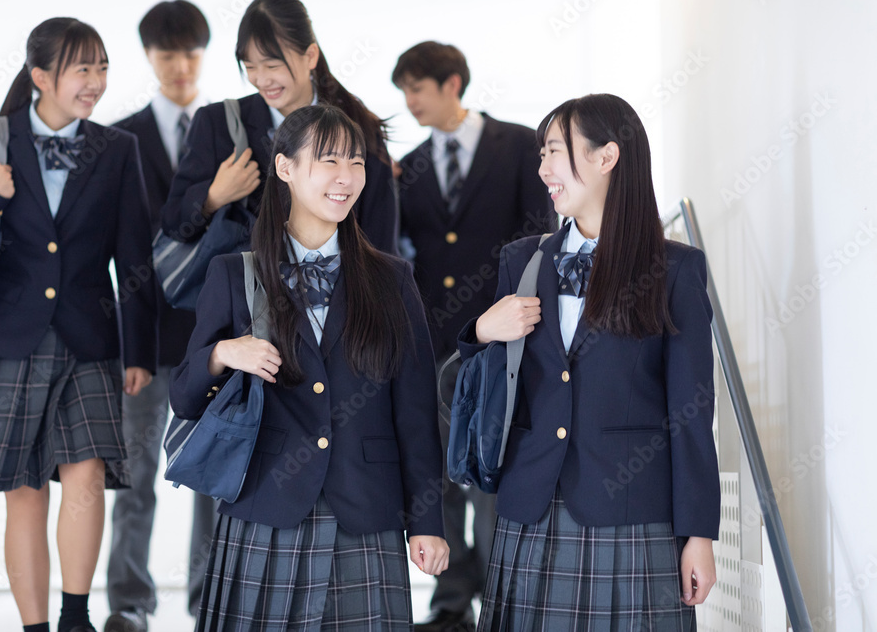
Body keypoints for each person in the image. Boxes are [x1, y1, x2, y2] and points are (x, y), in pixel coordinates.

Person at [169, 105, 448, 630]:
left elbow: (415, 413)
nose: (346, 176)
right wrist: (223, 353)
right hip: (265, 505)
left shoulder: (392, 280)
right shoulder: (234, 274)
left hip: (366, 510)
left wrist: (427, 522)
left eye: (356, 161)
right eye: (329, 160)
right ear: (285, 168)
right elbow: (184, 396)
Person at [462, 94, 719, 630]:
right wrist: (482, 331)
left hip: (631, 513)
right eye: (541, 155)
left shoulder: (675, 270)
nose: (543, 169)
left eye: (555, 151)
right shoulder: (521, 261)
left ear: (607, 157)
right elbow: (482, 383)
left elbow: (692, 412)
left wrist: (698, 534)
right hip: (530, 506)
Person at [0, 17, 157, 632]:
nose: (96, 81)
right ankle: (35, 626)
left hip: (90, 339)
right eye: (82, 69)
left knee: (87, 475)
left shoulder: (118, 149)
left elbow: (134, 256)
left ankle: (75, 618)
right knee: (25, 491)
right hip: (9, 340)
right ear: (40, 76)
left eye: (102, 67)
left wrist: (140, 350)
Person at [392, 40, 555, 631]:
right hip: (434, 346)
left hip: (505, 342)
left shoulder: (519, 145)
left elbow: (541, 237)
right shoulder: (406, 167)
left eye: (417, 89)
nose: (409, 102)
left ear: (452, 84)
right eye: (404, 91)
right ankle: (451, 602)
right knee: (439, 477)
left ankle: (502, 602)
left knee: (493, 475)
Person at [105, 0, 215, 632]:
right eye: (168, 53)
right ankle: (129, 604)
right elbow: (119, 251)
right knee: (134, 480)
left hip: (216, 340)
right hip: (145, 341)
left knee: (215, 479)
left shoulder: (231, 133)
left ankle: (211, 603)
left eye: (191, 52)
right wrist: (132, 350)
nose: (181, 65)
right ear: (149, 57)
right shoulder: (121, 139)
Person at [161, 0, 399, 258]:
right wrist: (213, 197)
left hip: (340, 283)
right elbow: (173, 224)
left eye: (272, 66)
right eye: (250, 67)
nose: (262, 80)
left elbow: (382, 246)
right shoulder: (218, 123)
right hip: (248, 284)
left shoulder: (358, 125)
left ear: (310, 56)